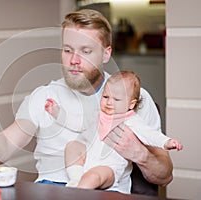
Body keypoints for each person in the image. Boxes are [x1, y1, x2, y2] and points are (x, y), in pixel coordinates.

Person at [0, 9, 173, 192]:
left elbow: (165, 175)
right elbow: (4, 144)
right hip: (49, 190)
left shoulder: (133, 98)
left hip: (107, 192)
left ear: (106, 54)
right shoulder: (44, 97)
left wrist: (140, 154)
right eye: (67, 50)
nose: (74, 61)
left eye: (85, 51)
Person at [44, 70, 182, 193]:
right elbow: (77, 122)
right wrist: (57, 113)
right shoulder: (98, 115)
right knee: (73, 146)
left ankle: (78, 193)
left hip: (110, 170)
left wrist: (167, 142)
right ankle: (76, 180)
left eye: (116, 99)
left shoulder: (131, 120)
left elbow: (150, 135)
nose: (109, 102)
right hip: (86, 164)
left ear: (131, 104)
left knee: (94, 176)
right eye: (105, 97)